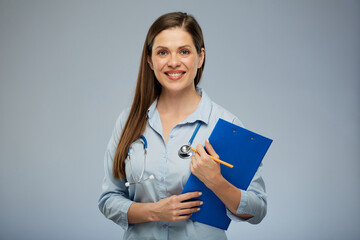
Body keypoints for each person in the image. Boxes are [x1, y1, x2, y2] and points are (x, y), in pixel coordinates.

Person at [98, 12, 267, 240]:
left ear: (200, 57)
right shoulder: (128, 121)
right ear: (150, 60)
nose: (173, 62)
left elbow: (257, 210)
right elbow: (109, 199)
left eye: (184, 51)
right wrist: (154, 212)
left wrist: (216, 181)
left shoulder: (226, 125)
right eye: (163, 52)